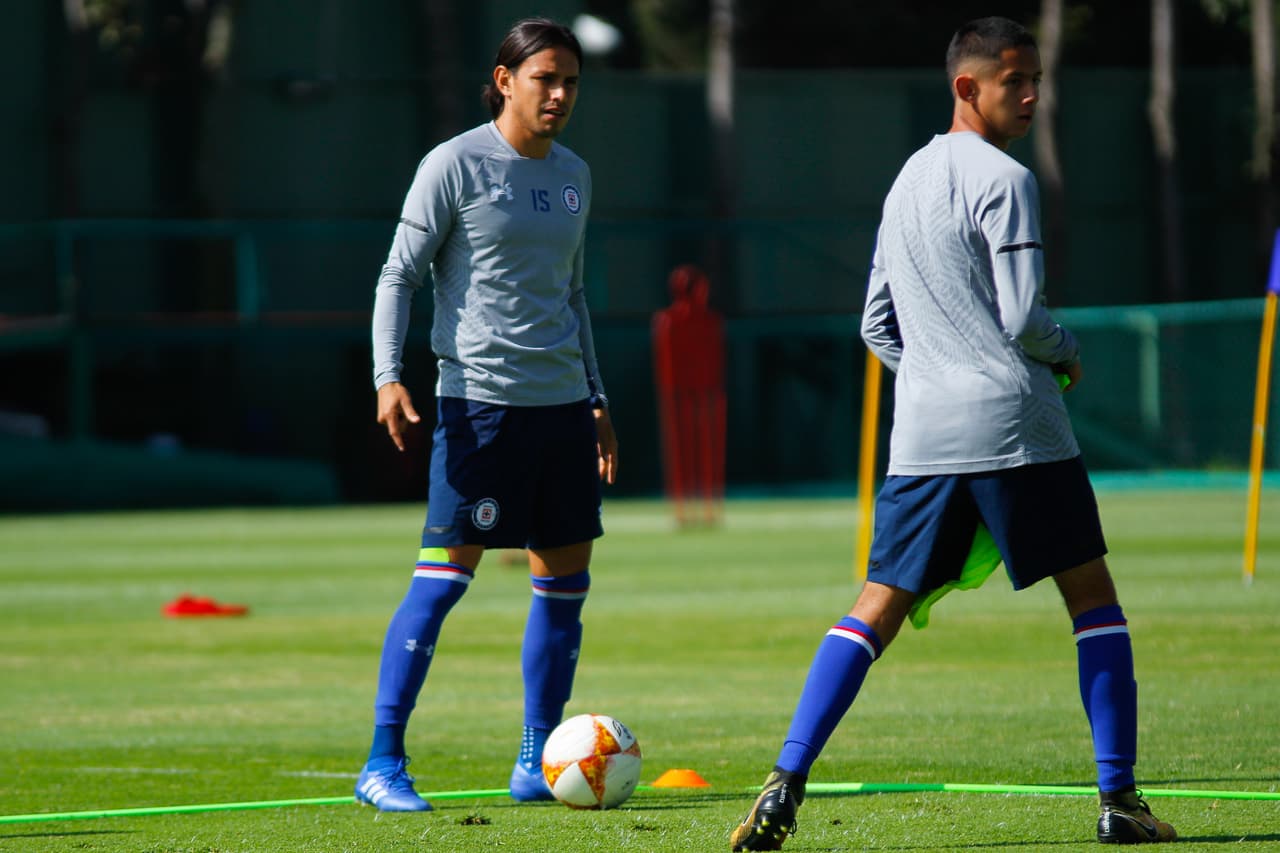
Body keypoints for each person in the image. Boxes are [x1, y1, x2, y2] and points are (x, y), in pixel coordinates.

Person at [729, 16, 1175, 850]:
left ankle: (784, 783)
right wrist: (1068, 352)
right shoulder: (1005, 178)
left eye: (1037, 77)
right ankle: (1120, 799)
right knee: (1094, 602)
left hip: (924, 436)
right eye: (1017, 80)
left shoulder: (906, 180)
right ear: (967, 87)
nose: (1034, 93)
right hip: (1017, 428)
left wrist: (935, 373)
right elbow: (1021, 316)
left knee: (874, 608)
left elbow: (874, 325)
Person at [356, 16, 618, 813]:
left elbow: (572, 296)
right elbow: (398, 276)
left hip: (565, 410)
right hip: (480, 409)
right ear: (505, 80)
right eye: (546, 78)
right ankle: (382, 761)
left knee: (564, 584)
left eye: (571, 80)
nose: (561, 94)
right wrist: (386, 376)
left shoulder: (574, 173)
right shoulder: (455, 164)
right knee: (442, 581)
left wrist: (598, 398)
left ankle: (537, 757)